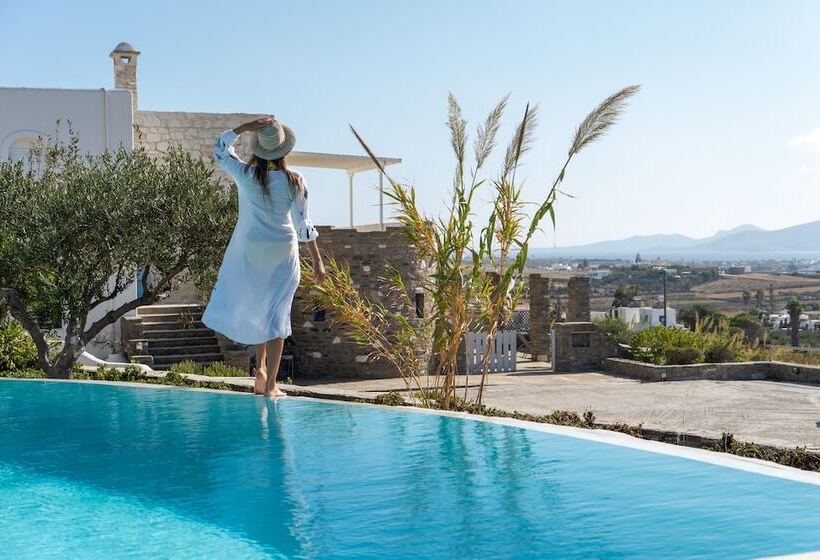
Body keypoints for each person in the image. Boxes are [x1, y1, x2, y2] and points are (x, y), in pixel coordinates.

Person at [203, 117, 325, 398]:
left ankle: (260, 370)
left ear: (259, 149)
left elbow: (220, 149)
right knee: (277, 315)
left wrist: (244, 128)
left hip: (253, 250)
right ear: (284, 150)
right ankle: (271, 386)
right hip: (282, 250)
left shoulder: (245, 175)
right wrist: (317, 260)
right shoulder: (295, 180)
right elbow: (303, 225)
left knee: (260, 307)